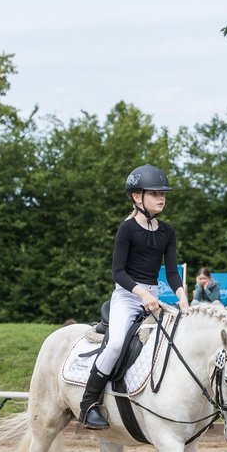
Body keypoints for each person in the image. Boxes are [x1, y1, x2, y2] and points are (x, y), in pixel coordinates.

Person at [79, 164, 188, 429]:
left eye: (163, 193)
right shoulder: (126, 230)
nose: (161, 198)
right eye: (154, 193)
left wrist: (183, 297)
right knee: (116, 343)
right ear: (136, 197)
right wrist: (141, 293)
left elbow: (172, 272)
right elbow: (118, 272)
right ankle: (88, 403)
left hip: (154, 298)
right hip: (127, 297)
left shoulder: (167, 232)